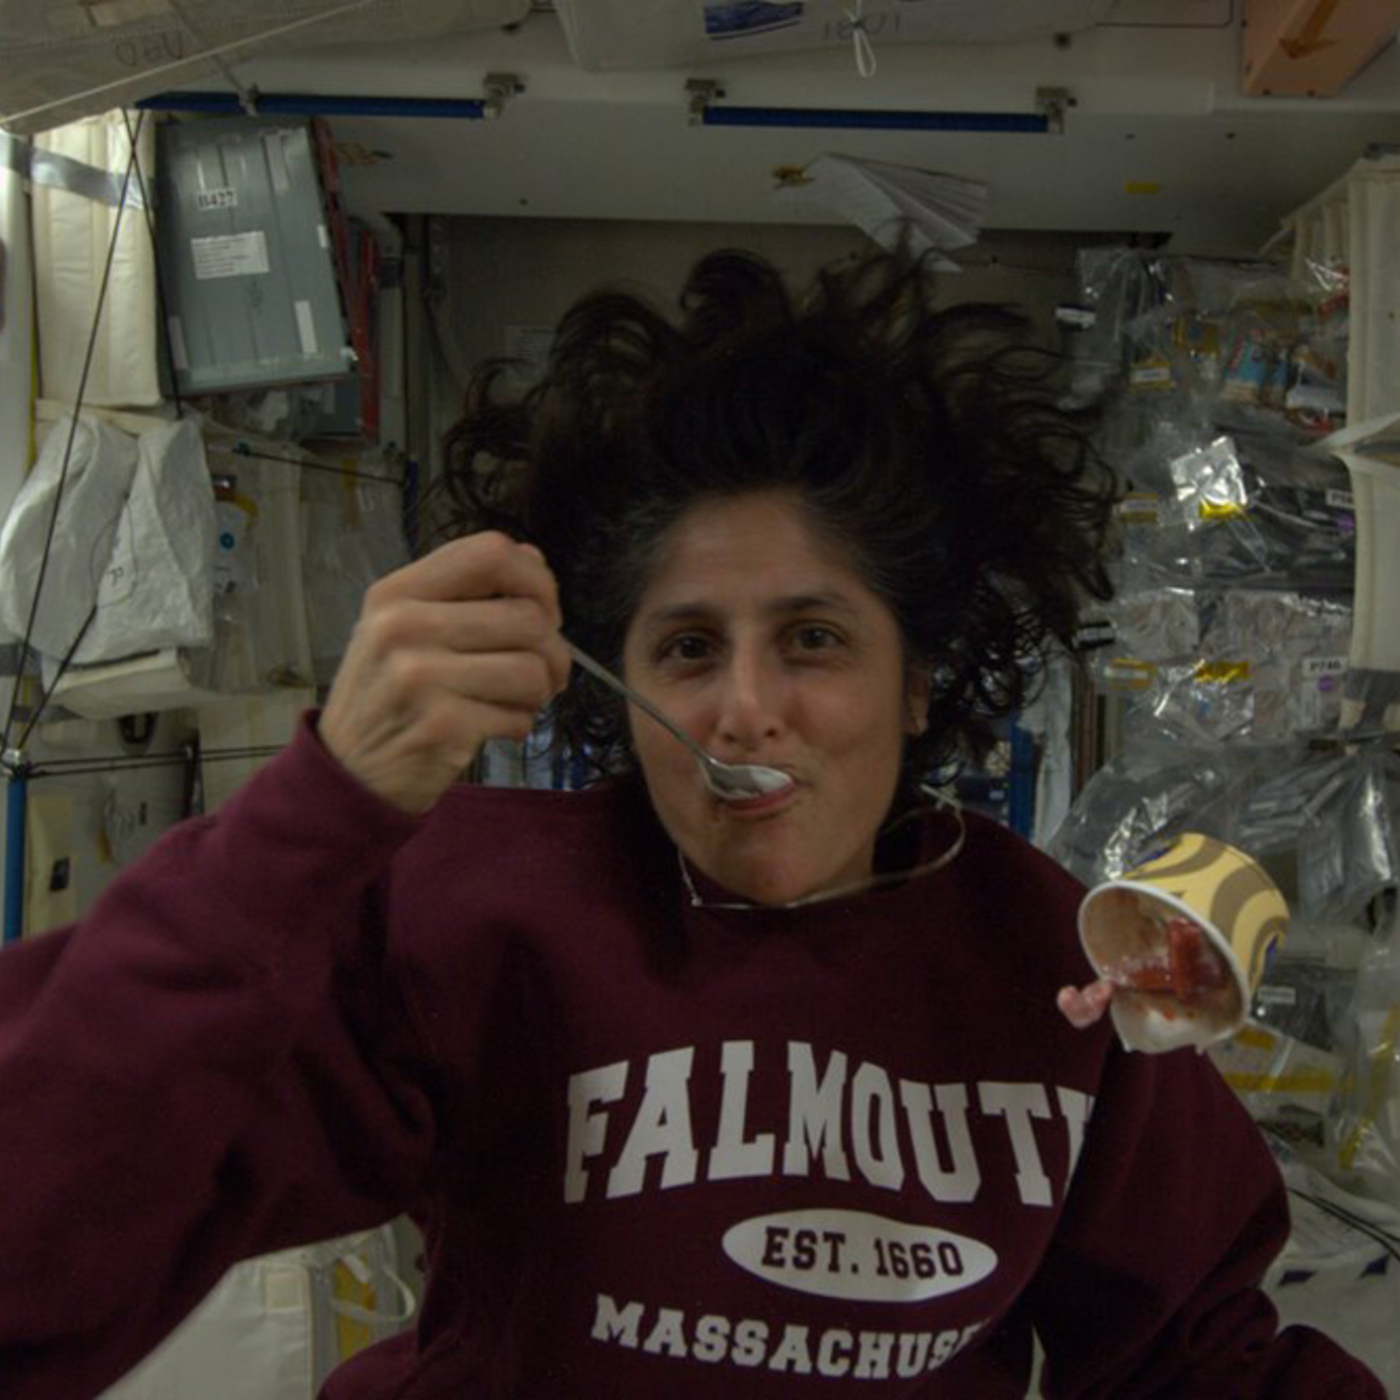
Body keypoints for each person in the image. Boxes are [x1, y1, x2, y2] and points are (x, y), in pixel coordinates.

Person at [0, 243, 1383, 1400]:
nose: (743, 708)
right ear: (621, 690)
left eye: (815, 639)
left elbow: (1203, 1365)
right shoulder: (484, 918)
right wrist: (316, 814)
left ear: (919, 687)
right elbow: (40, 1261)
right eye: (684, 650)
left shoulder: (1055, 974)